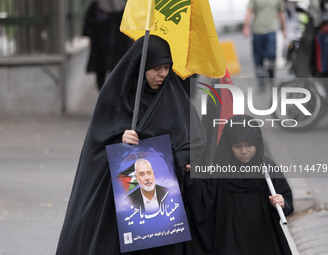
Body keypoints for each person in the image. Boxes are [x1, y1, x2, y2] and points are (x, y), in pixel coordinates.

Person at [56, 35, 205, 255]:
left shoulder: (176, 99)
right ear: (141, 66)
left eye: (167, 67)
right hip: (118, 204)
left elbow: (196, 142)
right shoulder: (116, 96)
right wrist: (120, 140)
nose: (163, 74)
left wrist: (186, 160)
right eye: (156, 68)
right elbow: (97, 145)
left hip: (164, 209)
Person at [184, 115, 293, 255]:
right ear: (229, 146)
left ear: (258, 143)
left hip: (264, 237)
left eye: (249, 145)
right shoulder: (217, 171)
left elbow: (285, 202)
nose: (244, 151)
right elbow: (201, 200)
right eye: (237, 146)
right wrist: (190, 177)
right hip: (229, 239)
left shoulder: (268, 169)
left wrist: (281, 203)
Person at [83, 0, 133, 90]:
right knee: (101, 77)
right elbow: (89, 29)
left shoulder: (127, 6)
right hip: (101, 49)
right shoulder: (96, 7)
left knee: (119, 77)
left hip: (121, 49)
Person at [243, 0, 286, 92]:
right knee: (258, 59)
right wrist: (246, 26)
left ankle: (271, 76)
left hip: (271, 30)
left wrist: (283, 28)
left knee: (271, 55)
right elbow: (249, 11)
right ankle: (261, 83)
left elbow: (280, 13)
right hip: (257, 31)